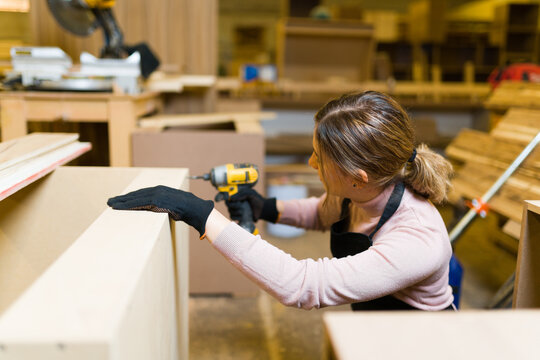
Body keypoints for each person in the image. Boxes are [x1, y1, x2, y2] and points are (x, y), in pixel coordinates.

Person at [108, 91, 455, 311]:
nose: (310, 163)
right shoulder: (362, 193)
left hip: (419, 344)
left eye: (319, 157)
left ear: (357, 176)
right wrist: (266, 208)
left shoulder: (417, 237)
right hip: (377, 333)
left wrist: (203, 215)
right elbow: (321, 213)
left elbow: (303, 285)